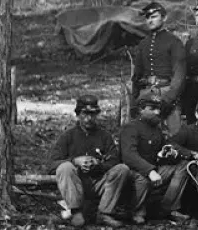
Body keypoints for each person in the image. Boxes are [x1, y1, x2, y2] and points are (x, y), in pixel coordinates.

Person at [51, 95, 135, 227]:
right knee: (64, 167)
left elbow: (115, 161)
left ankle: (104, 213)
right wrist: (74, 161)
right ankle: (76, 212)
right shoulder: (68, 136)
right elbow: (52, 164)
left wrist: (98, 164)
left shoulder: (104, 136)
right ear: (78, 114)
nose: (89, 118)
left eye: (93, 114)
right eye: (85, 114)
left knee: (122, 169)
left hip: (99, 183)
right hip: (75, 185)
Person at [119, 94, 190, 223]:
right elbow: (129, 156)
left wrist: (170, 154)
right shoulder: (131, 128)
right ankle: (136, 210)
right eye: (152, 108)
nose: (157, 112)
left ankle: (167, 208)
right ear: (141, 109)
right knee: (143, 178)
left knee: (184, 166)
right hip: (134, 173)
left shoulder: (156, 129)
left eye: (158, 108)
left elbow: (161, 151)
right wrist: (150, 171)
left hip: (154, 171)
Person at [130, 1, 187, 131]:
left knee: (174, 135)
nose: (150, 20)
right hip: (146, 93)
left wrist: (169, 99)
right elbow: (137, 74)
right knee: (143, 133)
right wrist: (135, 98)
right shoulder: (143, 44)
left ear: (164, 18)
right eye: (148, 17)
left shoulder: (174, 42)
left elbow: (179, 74)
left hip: (167, 92)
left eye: (154, 16)